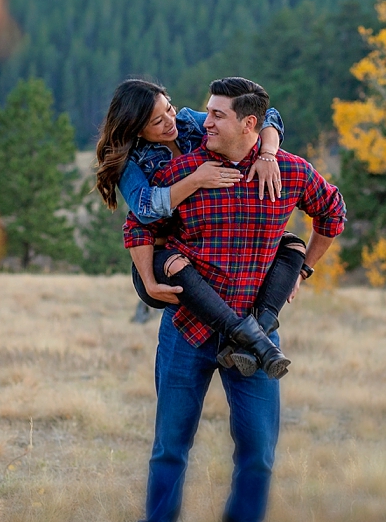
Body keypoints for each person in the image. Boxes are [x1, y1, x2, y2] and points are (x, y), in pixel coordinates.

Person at [124, 77, 345, 522]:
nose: (202, 122)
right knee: (170, 445)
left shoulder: (290, 170)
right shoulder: (187, 169)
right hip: (188, 329)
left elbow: (332, 213)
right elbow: (140, 223)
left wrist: (302, 269)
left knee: (258, 448)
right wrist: (148, 277)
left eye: (216, 115)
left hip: (258, 336)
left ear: (249, 124)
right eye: (206, 112)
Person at [96, 79, 308, 377]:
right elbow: (143, 211)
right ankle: (254, 341)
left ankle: (249, 340)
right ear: (136, 128)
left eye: (168, 108)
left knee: (289, 246)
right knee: (179, 266)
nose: (171, 121)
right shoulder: (130, 160)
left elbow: (264, 115)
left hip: (205, 244)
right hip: (161, 255)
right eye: (158, 121)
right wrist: (196, 179)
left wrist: (267, 153)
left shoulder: (187, 121)